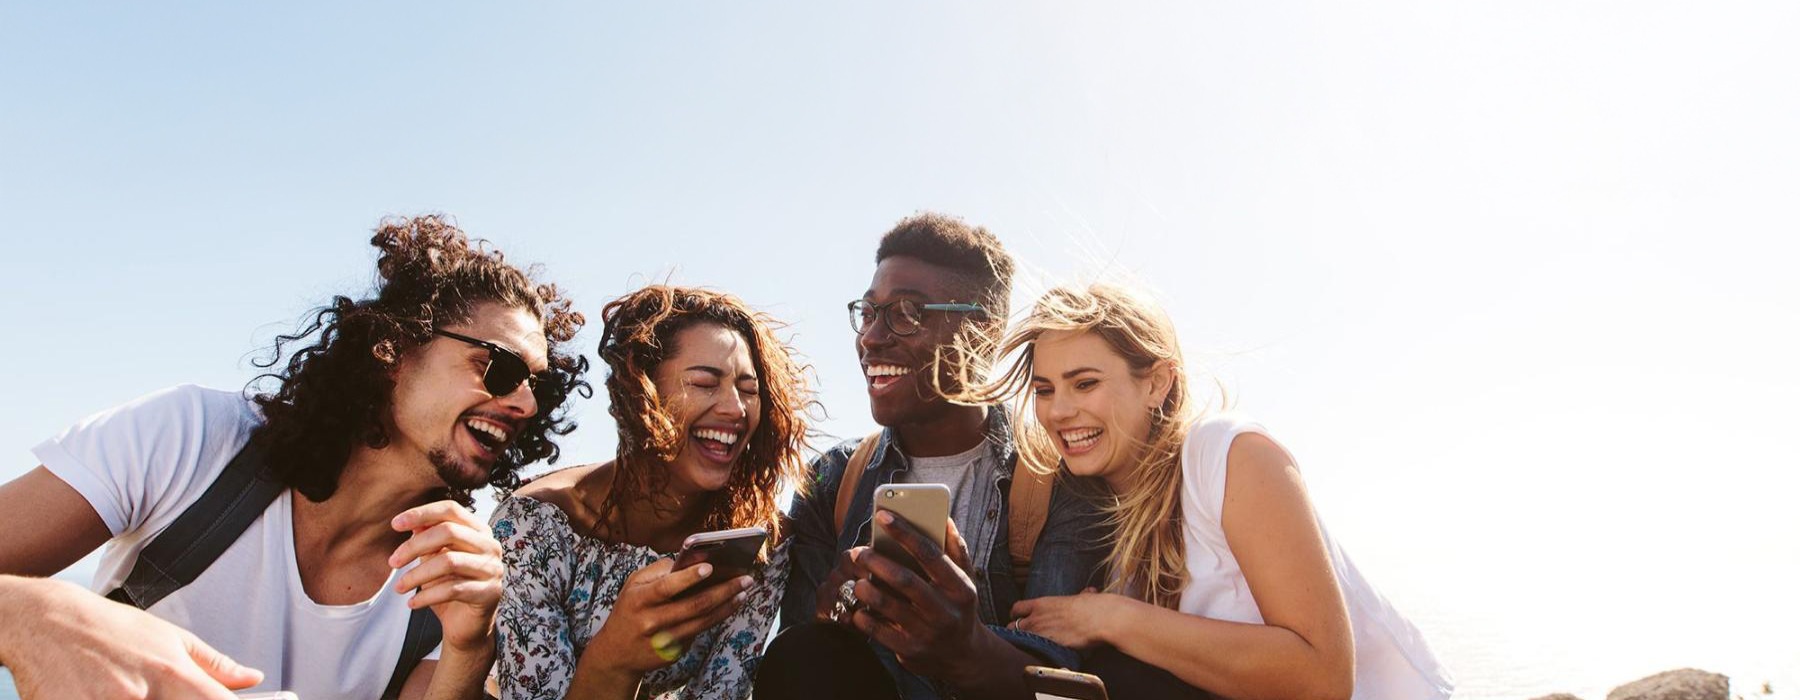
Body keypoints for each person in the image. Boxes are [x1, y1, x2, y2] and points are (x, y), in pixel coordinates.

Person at [0, 215, 587, 700]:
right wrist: (39, 613)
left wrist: (468, 647)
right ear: (395, 348)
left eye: (543, 388)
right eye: (502, 369)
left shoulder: (448, 582)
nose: (527, 404)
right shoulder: (192, 438)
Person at [976, 284, 1454, 699]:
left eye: (1085, 383)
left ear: (1157, 383)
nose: (1059, 411)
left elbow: (1323, 678)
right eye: (1043, 390)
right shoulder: (1098, 514)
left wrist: (1110, 618)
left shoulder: (1228, 454)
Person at [756, 213, 1108, 700]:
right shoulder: (835, 479)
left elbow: (1066, 685)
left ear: (983, 332)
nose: (872, 337)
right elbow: (794, 663)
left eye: (906, 312)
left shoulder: (1058, 476)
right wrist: (835, 615)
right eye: (869, 311)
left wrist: (967, 650)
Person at [490, 285, 812, 700]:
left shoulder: (758, 544)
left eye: (749, 390)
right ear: (639, 392)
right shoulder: (533, 527)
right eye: (703, 383)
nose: (735, 408)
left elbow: (721, 690)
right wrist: (616, 658)